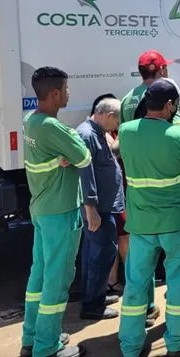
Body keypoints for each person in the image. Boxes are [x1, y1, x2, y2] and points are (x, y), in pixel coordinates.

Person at [118, 80, 180, 357]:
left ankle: (130, 345)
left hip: (141, 223)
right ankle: (176, 341)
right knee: (178, 282)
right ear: (169, 105)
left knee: (136, 285)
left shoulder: (126, 132)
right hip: (176, 222)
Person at [20, 66, 92, 357]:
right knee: (57, 280)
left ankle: (32, 338)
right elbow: (84, 157)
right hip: (61, 211)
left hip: (41, 208)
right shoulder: (53, 127)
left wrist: (67, 154)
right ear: (54, 93)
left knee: (39, 277)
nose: (69, 93)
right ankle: (47, 347)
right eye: (66, 89)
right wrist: (69, 153)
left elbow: (72, 156)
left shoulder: (31, 121)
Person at [77, 97, 124, 321]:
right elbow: (86, 176)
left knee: (93, 254)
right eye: (117, 121)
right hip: (99, 209)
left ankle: (94, 296)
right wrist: (91, 208)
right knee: (102, 253)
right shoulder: (87, 135)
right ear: (108, 116)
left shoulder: (96, 131)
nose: (117, 126)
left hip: (103, 206)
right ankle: (92, 306)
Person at [120, 50, 180, 125]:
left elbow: (122, 131)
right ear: (161, 71)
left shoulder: (126, 99)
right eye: (165, 67)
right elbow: (178, 127)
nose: (167, 70)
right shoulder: (167, 94)